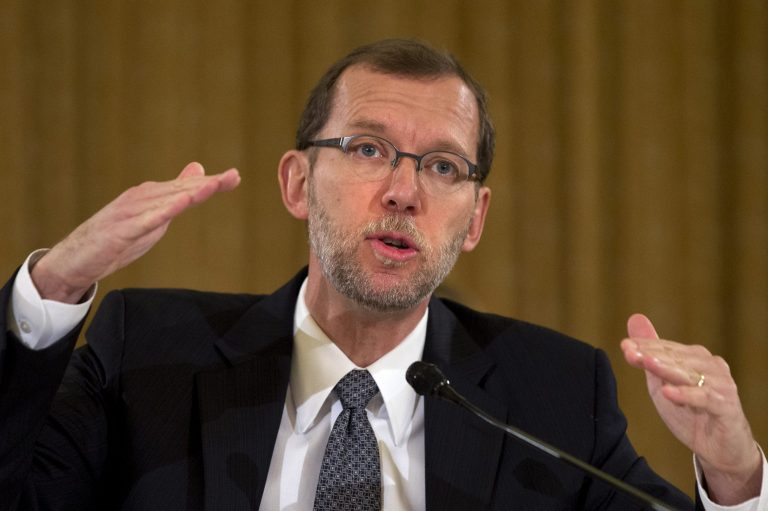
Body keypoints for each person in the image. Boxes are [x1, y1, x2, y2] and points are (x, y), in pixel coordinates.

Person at [0, 38, 764, 511]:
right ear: (298, 182)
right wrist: (52, 293)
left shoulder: (554, 394)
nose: (405, 191)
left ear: (476, 217)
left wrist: (736, 481)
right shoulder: (150, 353)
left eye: (441, 165)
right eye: (367, 149)